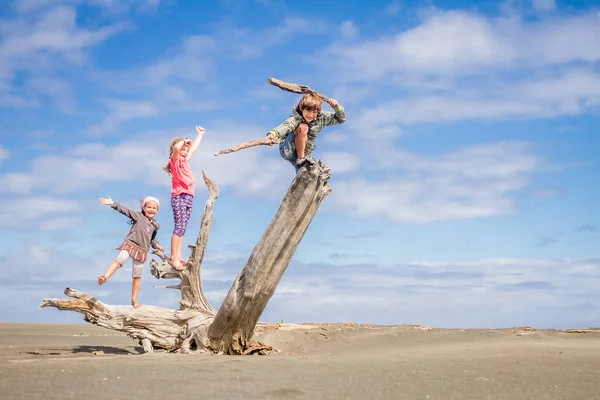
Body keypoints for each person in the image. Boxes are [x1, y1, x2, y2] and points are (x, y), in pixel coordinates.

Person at [97, 196, 164, 308]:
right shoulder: (139, 216)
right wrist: (112, 203)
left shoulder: (155, 225)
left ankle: (134, 300)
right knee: (119, 261)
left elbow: (152, 239)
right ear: (144, 208)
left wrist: (156, 245)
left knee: (137, 276)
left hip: (142, 251)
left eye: (154, 208)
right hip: (130, 245)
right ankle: (104, 277)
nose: (151, 210)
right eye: (149, 207)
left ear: (157, 210)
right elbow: (125, 211)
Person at [266, 93, 346, 171]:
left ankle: (302, 163)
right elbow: (286, 126)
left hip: (304, 151)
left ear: (318, 111)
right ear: (302, 109)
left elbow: (340, 119)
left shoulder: (322, 118)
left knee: (308, 175)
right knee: (303, 127)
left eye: (314, 112)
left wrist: (337, 107)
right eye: (308, 111)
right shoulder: (296, 118)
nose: (311, 115)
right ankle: (301, 159)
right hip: (288, 148)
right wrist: (273, 133)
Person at [163, 126, 205, 270]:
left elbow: (194, 149)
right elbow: (176, 148)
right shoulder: (175, 161)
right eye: (184, 149)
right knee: (178, 226)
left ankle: (179, 256)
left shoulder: (185, 161)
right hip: (179, 195)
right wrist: (184, 141)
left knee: (183, 227)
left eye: (186, 150)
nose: (186, 152)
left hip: (188, 196)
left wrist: (199, 135)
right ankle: (173, 257)